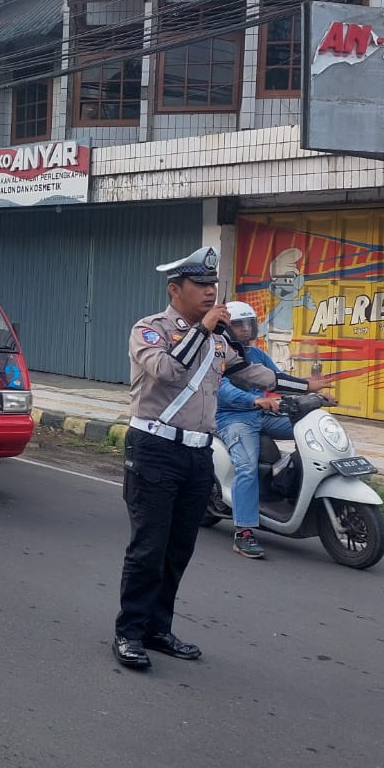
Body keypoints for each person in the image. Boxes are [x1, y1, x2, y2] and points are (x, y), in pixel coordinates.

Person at [115, 247, 310, 671]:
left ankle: (158, 630)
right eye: (201, 284)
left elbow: (254, 374)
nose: (210, 292)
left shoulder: (219, 340)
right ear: (175, 289)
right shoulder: (150, 330)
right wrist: (203, 329)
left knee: (178, 548)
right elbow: (169, 371)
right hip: (154, 449)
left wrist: (306, 386)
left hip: (198, 452)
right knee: (149, 547)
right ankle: (129, 632)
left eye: (213, 284)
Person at [215, 302, 334, 559]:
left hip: (264, 414)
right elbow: (221, 389)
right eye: (238, 324)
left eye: (248, 324)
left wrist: (313, 392)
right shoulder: (217, 353)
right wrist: (254, 400)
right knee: (246, 467)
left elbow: (277, 379)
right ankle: (243, 532)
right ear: (226, 328)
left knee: (311, 429)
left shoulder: (257, 354)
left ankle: (288, 482)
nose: (245, 329)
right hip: (234, 417)